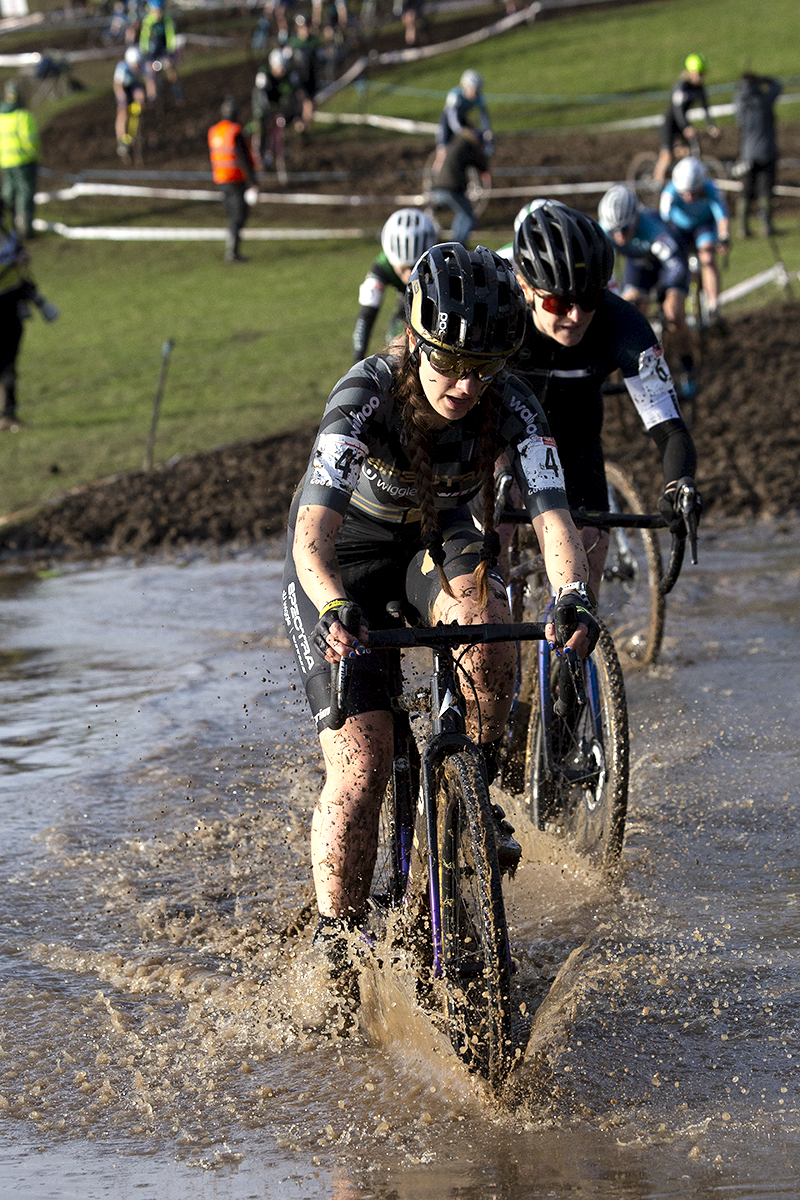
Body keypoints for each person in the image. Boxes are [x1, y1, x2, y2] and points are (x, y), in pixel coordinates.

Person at [282, 242, 598, 966]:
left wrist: (573, 596)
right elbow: (310, 536)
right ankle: (337, 935)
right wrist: (332, 605)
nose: (463, 384)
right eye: (448, 363)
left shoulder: (513, 403)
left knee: (489, 639)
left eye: (482, 368)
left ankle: (469, 783)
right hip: (346, 562)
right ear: (418, 341)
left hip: (439, 537)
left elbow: (554, 519)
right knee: (363, 762)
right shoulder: (365, 394)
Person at [509, 201, 699, 601]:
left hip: (577, 436)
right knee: (492, 550)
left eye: (589, 300)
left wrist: (679, 483)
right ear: (526, 288)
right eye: (558, 303)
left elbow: (669, 428)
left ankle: (570, 662)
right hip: (501, 438)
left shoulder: (622, 324)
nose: (576, 316)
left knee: (589, 553)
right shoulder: (499, 312)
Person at [598, 183, 697, 402]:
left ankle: (687, 365)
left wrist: (663, 289)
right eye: (614, 231)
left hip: (670, 265)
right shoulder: (605, 230)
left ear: (635, 218)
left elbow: (676, 267)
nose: (619, 236)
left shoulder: (653, 228)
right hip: (640, 265)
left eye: (624, 229)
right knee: (628, 312)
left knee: (673, 314)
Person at [0, 200, 58, 431]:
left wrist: (20, 254)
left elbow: (13, 243)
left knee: (10, 359)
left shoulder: (5, 210)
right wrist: (11, 262)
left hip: (12, 294)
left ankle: (9, 414)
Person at [352, 207, 437, 363]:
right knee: (398, 345)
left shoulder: (440, 260)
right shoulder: (383, 264)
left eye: (415, 267)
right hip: (404, 308)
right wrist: (357, 362)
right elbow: (366, 316)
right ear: (391, 260)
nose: (409, 275)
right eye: (403, 268)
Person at [659, 157, 729, 326]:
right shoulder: (669, 193)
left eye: (693, 192)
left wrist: (724, 237)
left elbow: (722, 218)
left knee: (708, 259)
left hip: (703, 226)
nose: (689, 197)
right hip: (678, 229)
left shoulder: (710, 188)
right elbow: (662, 221)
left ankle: (714, 305)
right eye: (685, 193)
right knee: (674, 263)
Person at [654, 53, 720, 184]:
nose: (700, 77)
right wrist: (685, 127)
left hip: (683, 124)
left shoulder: (700, 88)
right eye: (698, 73)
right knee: (667, 156)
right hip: (671, 124)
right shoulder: (681, 86)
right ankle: (657, 182)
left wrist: (711, 126)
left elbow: (706, 109)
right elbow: (678, 110)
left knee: (691, 151)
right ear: (690, 72)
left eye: (702, 74)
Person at [207, 97, 259, 263]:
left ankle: (232, 249)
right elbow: (244, 158)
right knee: (239, 214)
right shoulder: (234, 131)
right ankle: (232, 251)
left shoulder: (215, 131)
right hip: (235, 179)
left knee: (232, 214)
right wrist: (254, 181)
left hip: (221, 179)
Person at [734, 72, 782, 238]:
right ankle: (767, 226)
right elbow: (777, 86)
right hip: (766, 152)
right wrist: (764, 78)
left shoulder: (740, 102)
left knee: (746, 191)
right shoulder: (764, 101)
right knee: (766, 191)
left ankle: (742, 228)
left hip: (747, 154)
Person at [429, 128, 490, 247]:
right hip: (451, 188)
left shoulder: (454, 143)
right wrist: (484, 165)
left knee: (462, 214)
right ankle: (458, 244)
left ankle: (454, 242)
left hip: (438, 187)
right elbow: (478, 162)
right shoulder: (467, 146)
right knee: (468, 216)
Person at [0, 81, 40, 240]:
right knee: (25, 195)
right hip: (24, 162)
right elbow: (30, 141)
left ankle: (5, 226)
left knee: (7, 195)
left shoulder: (1, 115)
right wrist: (35, 155)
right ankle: (25, 229)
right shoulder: (23, 116)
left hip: (5, 162)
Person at [434, 70, 493, 167]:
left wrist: (487, 131)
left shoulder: (480, 98)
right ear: (466, 87)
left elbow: (484, 117)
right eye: (474, 90)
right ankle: (437, 171)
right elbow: (452, 117)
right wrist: (460, 130)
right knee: (443, 150)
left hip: (462, 119)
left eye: (478, 90)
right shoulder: (455, 96)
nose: (476, 93)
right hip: (448, 121)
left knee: (474, 140)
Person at [139, 0, 183, 104]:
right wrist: (145, 52)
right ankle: (152, 97)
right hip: (152, 51)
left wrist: (170, 50)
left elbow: (170, 35)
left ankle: (177, 94)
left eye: (159, 11)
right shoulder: (148, 21)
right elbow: (144, 38)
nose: (158, 13)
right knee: (150, 73)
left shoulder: (167, 20)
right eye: (156, 11)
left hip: (164, 50)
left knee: (171, 69)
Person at [113, 45, 147, 157]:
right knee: (122, 113)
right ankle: (121, 142)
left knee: (140, 103)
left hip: (134, 86)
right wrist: (122, 99)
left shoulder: (141, 66)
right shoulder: (122, 68)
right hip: (122, 88)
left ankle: (135, 133)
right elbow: (118, 86)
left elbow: (143, 82)